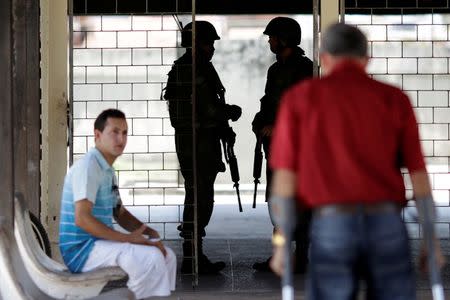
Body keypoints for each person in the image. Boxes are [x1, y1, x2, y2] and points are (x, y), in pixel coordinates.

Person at [269, 23, 445, 299]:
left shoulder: (300, 100)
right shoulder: (394, 99)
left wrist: (281, 242)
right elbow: (418, 174)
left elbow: (285, 179)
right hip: (386, 223)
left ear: (324, 58)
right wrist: (431, 238)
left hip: (332, 225)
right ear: (366, 58)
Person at [59, 109, 176, 299]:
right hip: (82, 250)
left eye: (124, 132)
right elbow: (82, 219)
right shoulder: (89, 167)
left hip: (99, 244)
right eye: (114, 132)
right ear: (97, 135)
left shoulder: (107, 171)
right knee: (152, 258)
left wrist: (149, 232)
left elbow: (119, 213)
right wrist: (129, 239)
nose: (120, 138)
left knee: (167, 255)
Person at [164, 21, 242, 274]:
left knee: (198, 195)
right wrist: (231, 112)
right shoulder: (191, 69)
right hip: (197, 142)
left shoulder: (193, 67)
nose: (212, 48)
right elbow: (208, 108)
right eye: (209, 43)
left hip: (199, 141)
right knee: (200, 197)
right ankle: (192, 256)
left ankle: (193, 254)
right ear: (196, 43)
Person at [252, 16, 313, 273]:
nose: (269, 41)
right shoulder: (275, 69)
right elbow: (270, 102)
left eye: (273, 37)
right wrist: (259, 121)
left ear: (285, 38)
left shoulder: (304, 68)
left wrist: (279, 127)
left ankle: (300, 257)